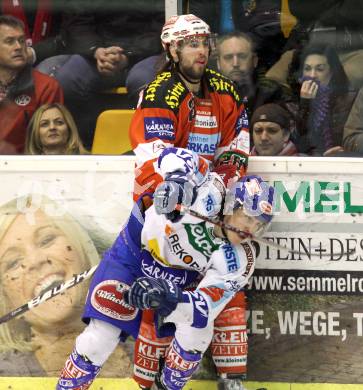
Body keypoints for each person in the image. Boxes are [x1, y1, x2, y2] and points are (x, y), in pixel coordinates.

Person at [56, 147, 275, 390]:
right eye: (247, 218)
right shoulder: (209, 192)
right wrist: (177, 180)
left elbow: (204, 308)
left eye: (258, 225)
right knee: (99, 338)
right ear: (231, 206)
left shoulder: (240, 259)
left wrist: (168, 297)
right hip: (133, 257)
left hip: (176, 282)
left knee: (199, 333)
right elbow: (175, 156)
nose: (250, 230)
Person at [0, 195, 132, 377]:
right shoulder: (6, 375)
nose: (35, 261)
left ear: (82, 249)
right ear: (6, 300)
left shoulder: (155, 355)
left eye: (46, 240)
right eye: (13, 262)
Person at [129, 14, 250, 203]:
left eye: (205, 43)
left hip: (210, 194)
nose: (202, 51)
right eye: (193, 45)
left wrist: (216, 189)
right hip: (165, 201)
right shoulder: (159, 95)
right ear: (174, 50)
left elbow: (234, 153)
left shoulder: (226, 91)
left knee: (254, 192)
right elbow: (153, 162)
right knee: (176, 161)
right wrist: (184, 195)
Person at [36, 1, 165, 148]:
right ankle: (83, 147)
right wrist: (96, 51)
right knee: (67, 80)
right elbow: (76, 23)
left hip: (145, 54)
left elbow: (162, 24)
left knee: (145, 81)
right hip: (98, 54)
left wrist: (128, 54)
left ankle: (153, 149)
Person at [0, 14, 63, 154]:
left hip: (25, 167)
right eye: (10, 41)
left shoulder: (46, 87)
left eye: (22, 41)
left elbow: (51, 146)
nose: (19, 47)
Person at [283, 43, 357, 156]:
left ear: (331, 72)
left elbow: (352, 139)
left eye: (320, 69)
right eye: (307, 69)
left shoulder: (348, 101)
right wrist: (305, 104)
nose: (312, 75)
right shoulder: (290, 103)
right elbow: (297, 144)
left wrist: (343, 153)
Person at [215, 31, 289, 118]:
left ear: (254, 60)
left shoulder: (271, 93)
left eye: (242, 56)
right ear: (218, 63)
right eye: (228, 57)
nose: (235, 64)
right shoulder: (206, 93)